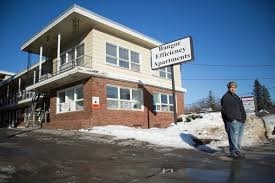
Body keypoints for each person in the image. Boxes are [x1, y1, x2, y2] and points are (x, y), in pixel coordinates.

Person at [221, 81, 246, 159]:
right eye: (231, 87)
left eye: (234, 87)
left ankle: (237, 151)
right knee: (233, 138)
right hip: (233, 121)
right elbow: (225, 110)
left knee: (238, 138)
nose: (233, 88)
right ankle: (234, 152)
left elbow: (241, 108)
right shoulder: (226, 97)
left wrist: (244, 118)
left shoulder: (236, 97)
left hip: (240, 121)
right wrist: (232, 119)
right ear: (228, 88)